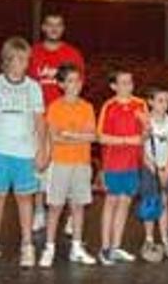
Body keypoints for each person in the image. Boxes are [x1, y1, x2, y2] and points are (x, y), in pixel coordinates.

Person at [0, 37, 47, 268]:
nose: (18, 63)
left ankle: (27, 244)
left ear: (28, 62)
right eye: (13, 58)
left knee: (25, 198)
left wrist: (41, 150)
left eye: (23, 59)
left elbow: (40, 121)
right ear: (5, 60)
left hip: (25, 152)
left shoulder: (34, 87)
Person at [28, 14, 85, 233]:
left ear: (63, 28)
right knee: (40, 168)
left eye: (58, 25)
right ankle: (39, 211)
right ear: (43, 27)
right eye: (49, 25)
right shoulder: (33, 52)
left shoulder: (72, 54)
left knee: (69, 167)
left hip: (66, 118)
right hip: (39, 118)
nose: (53, 29)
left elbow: (78, 84)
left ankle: (72, 215)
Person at [38, 64, 97, 268]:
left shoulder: (87, 107)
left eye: (78, 80)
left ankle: (77, 247)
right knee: (55, 207)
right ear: (61, 84)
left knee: (78, 207)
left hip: (82, 163)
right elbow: (55, 137)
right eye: (70, 81)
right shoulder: (55, 107)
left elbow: (92, 136)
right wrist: (78, 137)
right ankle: (49, 247)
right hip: (61, 163)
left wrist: (70, 135)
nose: (75, 85)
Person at [96, 70, 147, 265]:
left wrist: (145, 125)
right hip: (112, 163)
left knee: (125, 203)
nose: (127, 86)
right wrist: (126, 140)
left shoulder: (140, 104)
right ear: (114, 86)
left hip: (132, 163)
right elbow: (100, 136)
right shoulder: (109, 106)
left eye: (130, 82)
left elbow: (146, 134)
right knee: (111, 202)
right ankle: (104, 248)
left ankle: (116, 247)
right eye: (123, 83)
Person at [139, 87, 168, 260]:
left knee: (163, 203)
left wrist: (167, 170)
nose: (164, 105)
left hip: (166, 169)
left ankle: (164, 239)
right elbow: (141, 149)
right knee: (150, 203)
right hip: (149, 169)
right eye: (160, 101)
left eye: (167, 101)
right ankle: (149, 239)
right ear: (150, 102)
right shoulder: (145, 121)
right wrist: (154, 169)